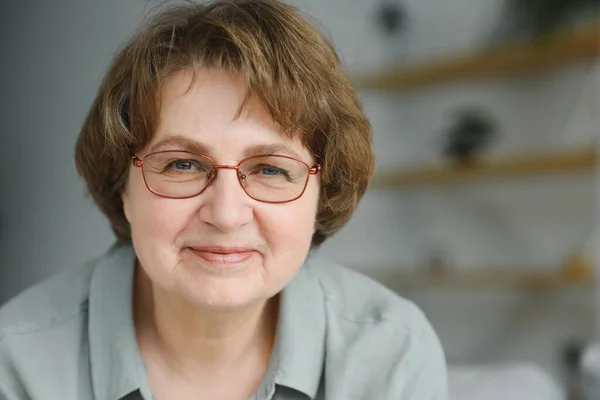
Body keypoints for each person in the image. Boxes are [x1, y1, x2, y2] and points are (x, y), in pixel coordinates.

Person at [0, 1, 447, 399]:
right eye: (182, 165)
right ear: (124, 188)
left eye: (271, 170)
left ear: (322, 195)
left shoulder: (393, 354)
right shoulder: (17, 361)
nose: (227, 214)